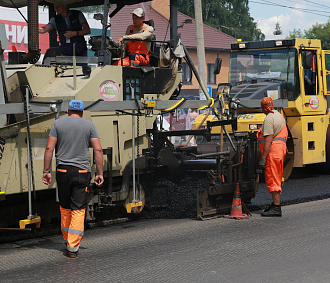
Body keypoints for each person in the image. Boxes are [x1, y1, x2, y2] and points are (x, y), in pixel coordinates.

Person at [42, 99, 104, 258]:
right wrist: (99, 173)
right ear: (82, 112)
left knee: (65, 206)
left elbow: (49, 148)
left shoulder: (58, 124)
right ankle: (72, 248)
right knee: (78, 209)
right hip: (82, 172)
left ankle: (66, 238)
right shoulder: (89, 125)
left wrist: (46, 170)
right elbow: (98, 149)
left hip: (62, 171)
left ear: (68, 111)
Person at [257, 97, 288, 217]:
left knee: (273, 178)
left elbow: (268, 140)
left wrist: (263, 158)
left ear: (263, 107)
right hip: (280, 150)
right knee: (277, 177)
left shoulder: (269, 118)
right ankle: (275, 204)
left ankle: (276, 207)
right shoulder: (278, 115)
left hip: (273, 152)